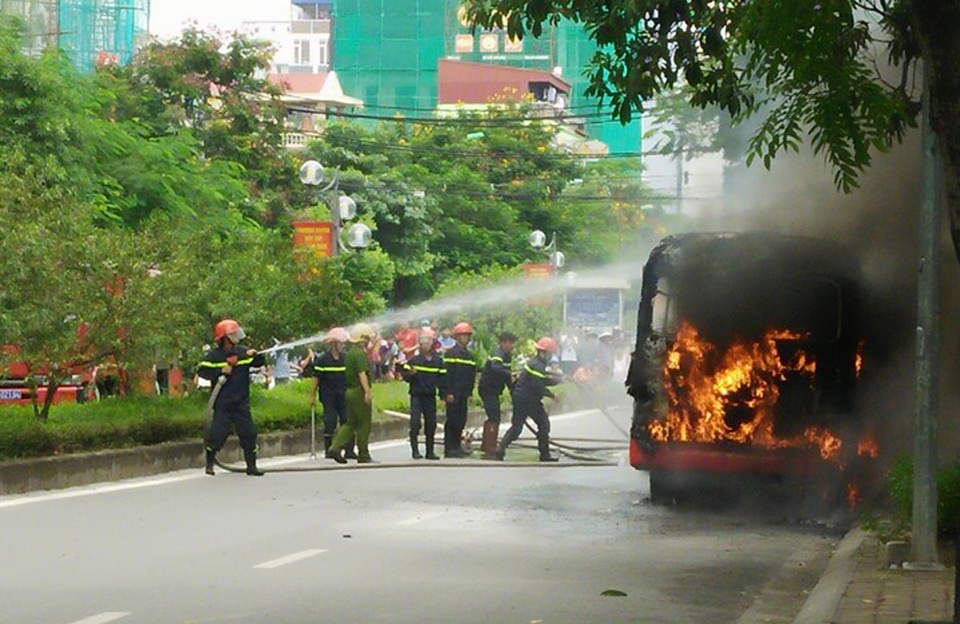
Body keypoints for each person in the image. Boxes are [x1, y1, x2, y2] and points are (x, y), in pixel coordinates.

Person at [197, 319, 267, 476]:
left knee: (249, 434)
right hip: (223, 403)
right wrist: (221, 370)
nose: (236, 337)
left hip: (241, 403)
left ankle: (251, 466)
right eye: (232, 334)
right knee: (217, 434)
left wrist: (255, 355)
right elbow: (202, 371)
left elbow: (259, 363)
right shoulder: (213, 356)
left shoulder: (242, 352)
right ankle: (210, 464)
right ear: (224, 337)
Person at [495, 337, 562, 462]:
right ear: (545, 353)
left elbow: (540, 380)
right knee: (543, 424)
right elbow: (538, 385)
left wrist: (556, 381)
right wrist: (552, 396)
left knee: (516, 427)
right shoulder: (538, 365)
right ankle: (545, 455)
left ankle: (500, 449)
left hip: (521, 397)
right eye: (550, 354)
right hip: (529, 399)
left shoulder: (535, 363)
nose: (550, 357)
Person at [327, 323, 376, 464]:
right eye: (368, 338)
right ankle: (363, 454)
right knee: (364, 423)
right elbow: (362, 374)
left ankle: (335, 447)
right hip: (359, 391)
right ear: (363, 338)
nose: (369, 341)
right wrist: (367, 392)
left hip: (349, 391)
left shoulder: (349, 353)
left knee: (350, 423)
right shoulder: (360, 354)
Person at [310, 327, 357, 459]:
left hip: (344, 395)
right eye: (341, 343)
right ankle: (329, 450)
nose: (343, 346)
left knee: (347, 421)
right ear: (333, 344)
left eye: (344, 343)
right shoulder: (322, 360)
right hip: (328, 396)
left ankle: (349, 450)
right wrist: (312, 395)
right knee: (329, 421)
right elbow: (316, 378)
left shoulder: (346, 358)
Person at [400, 329, 445, 460]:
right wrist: (410, 374)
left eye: (428, 342)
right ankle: (415, 451)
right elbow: (405, 375)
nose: (425, 344)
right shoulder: (414, 360)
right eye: (423, 342)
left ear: (432, 343)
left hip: (430, 395)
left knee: (431, 424)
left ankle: (430, 451)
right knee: (415, 423)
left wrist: (443, 395)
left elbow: (442, 379)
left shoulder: (438, 361)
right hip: (416, 395)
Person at [477, 331, 517, 458]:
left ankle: (487, 445)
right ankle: (490, 447)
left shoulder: (507, 356)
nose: (512, 346)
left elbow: (507, 375)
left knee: (494, 416)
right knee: (494, 417)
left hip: (494, 390)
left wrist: (512, 390)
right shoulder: (498, 353)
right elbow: (496, 368)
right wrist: (508, 374)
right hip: (487, 389)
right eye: (510, 343)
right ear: (504, 342)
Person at [443, 322, 477, 458]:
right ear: (458, 337)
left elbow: (471, 376)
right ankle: (449, 448)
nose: (467, 338)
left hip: (463, 393)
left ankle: (457, 446)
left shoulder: (469, 356)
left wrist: (469, 393)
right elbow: (447, 374)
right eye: (465, 336)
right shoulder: (451, 353)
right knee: (452, 420)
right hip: (453, 393)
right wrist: (447, 392)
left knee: (461, 420)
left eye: (468, 336)